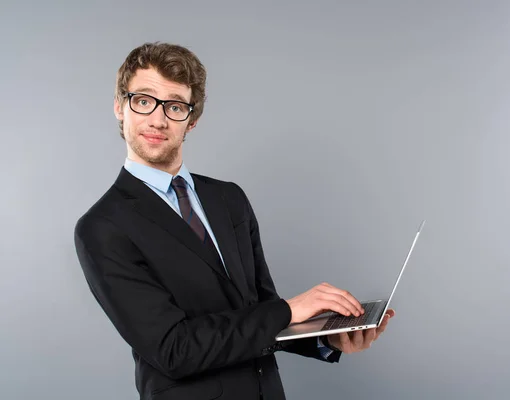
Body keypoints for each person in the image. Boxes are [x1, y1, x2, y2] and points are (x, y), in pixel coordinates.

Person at [74, 42, 394, 400]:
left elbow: (260, 310)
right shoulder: (102, 227)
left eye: (175, 106)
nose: (158, 119)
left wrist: (325, 338)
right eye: (144, 100)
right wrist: (288, 310)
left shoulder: (228, 199)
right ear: (120, 106)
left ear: (192, 121)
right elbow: (173, 350)